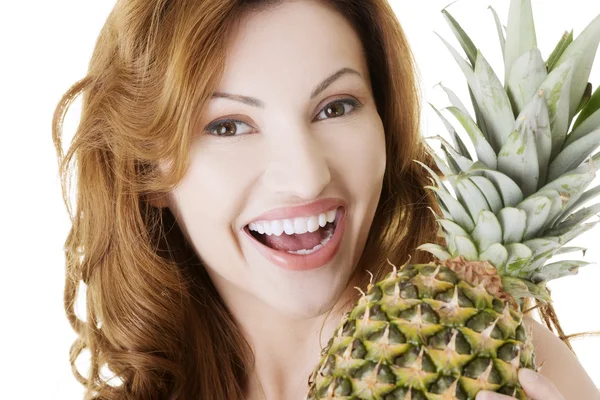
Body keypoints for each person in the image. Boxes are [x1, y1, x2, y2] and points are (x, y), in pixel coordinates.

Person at [51, 0, 599, 399]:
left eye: (336, 107)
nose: (307, 177)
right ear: (150, 170)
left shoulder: (510, 370)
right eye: (229, 126)